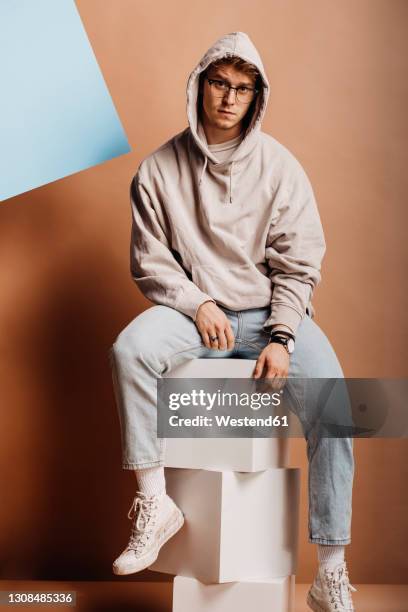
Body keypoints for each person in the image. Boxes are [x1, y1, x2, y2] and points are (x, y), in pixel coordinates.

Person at [109, 32, 356, 611]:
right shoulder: (157, 170)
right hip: (196, 317)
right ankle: (155, 501)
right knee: (129, 349)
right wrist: (197, 303)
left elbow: (299, 262)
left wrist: (283, 334)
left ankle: (331, 571)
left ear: (257, 97)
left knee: (337, 411)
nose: (228, 98)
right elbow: (150, 262)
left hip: (271, 315)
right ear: (200, 86)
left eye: (242, 89)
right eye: (219, 83)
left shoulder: (280, 167)